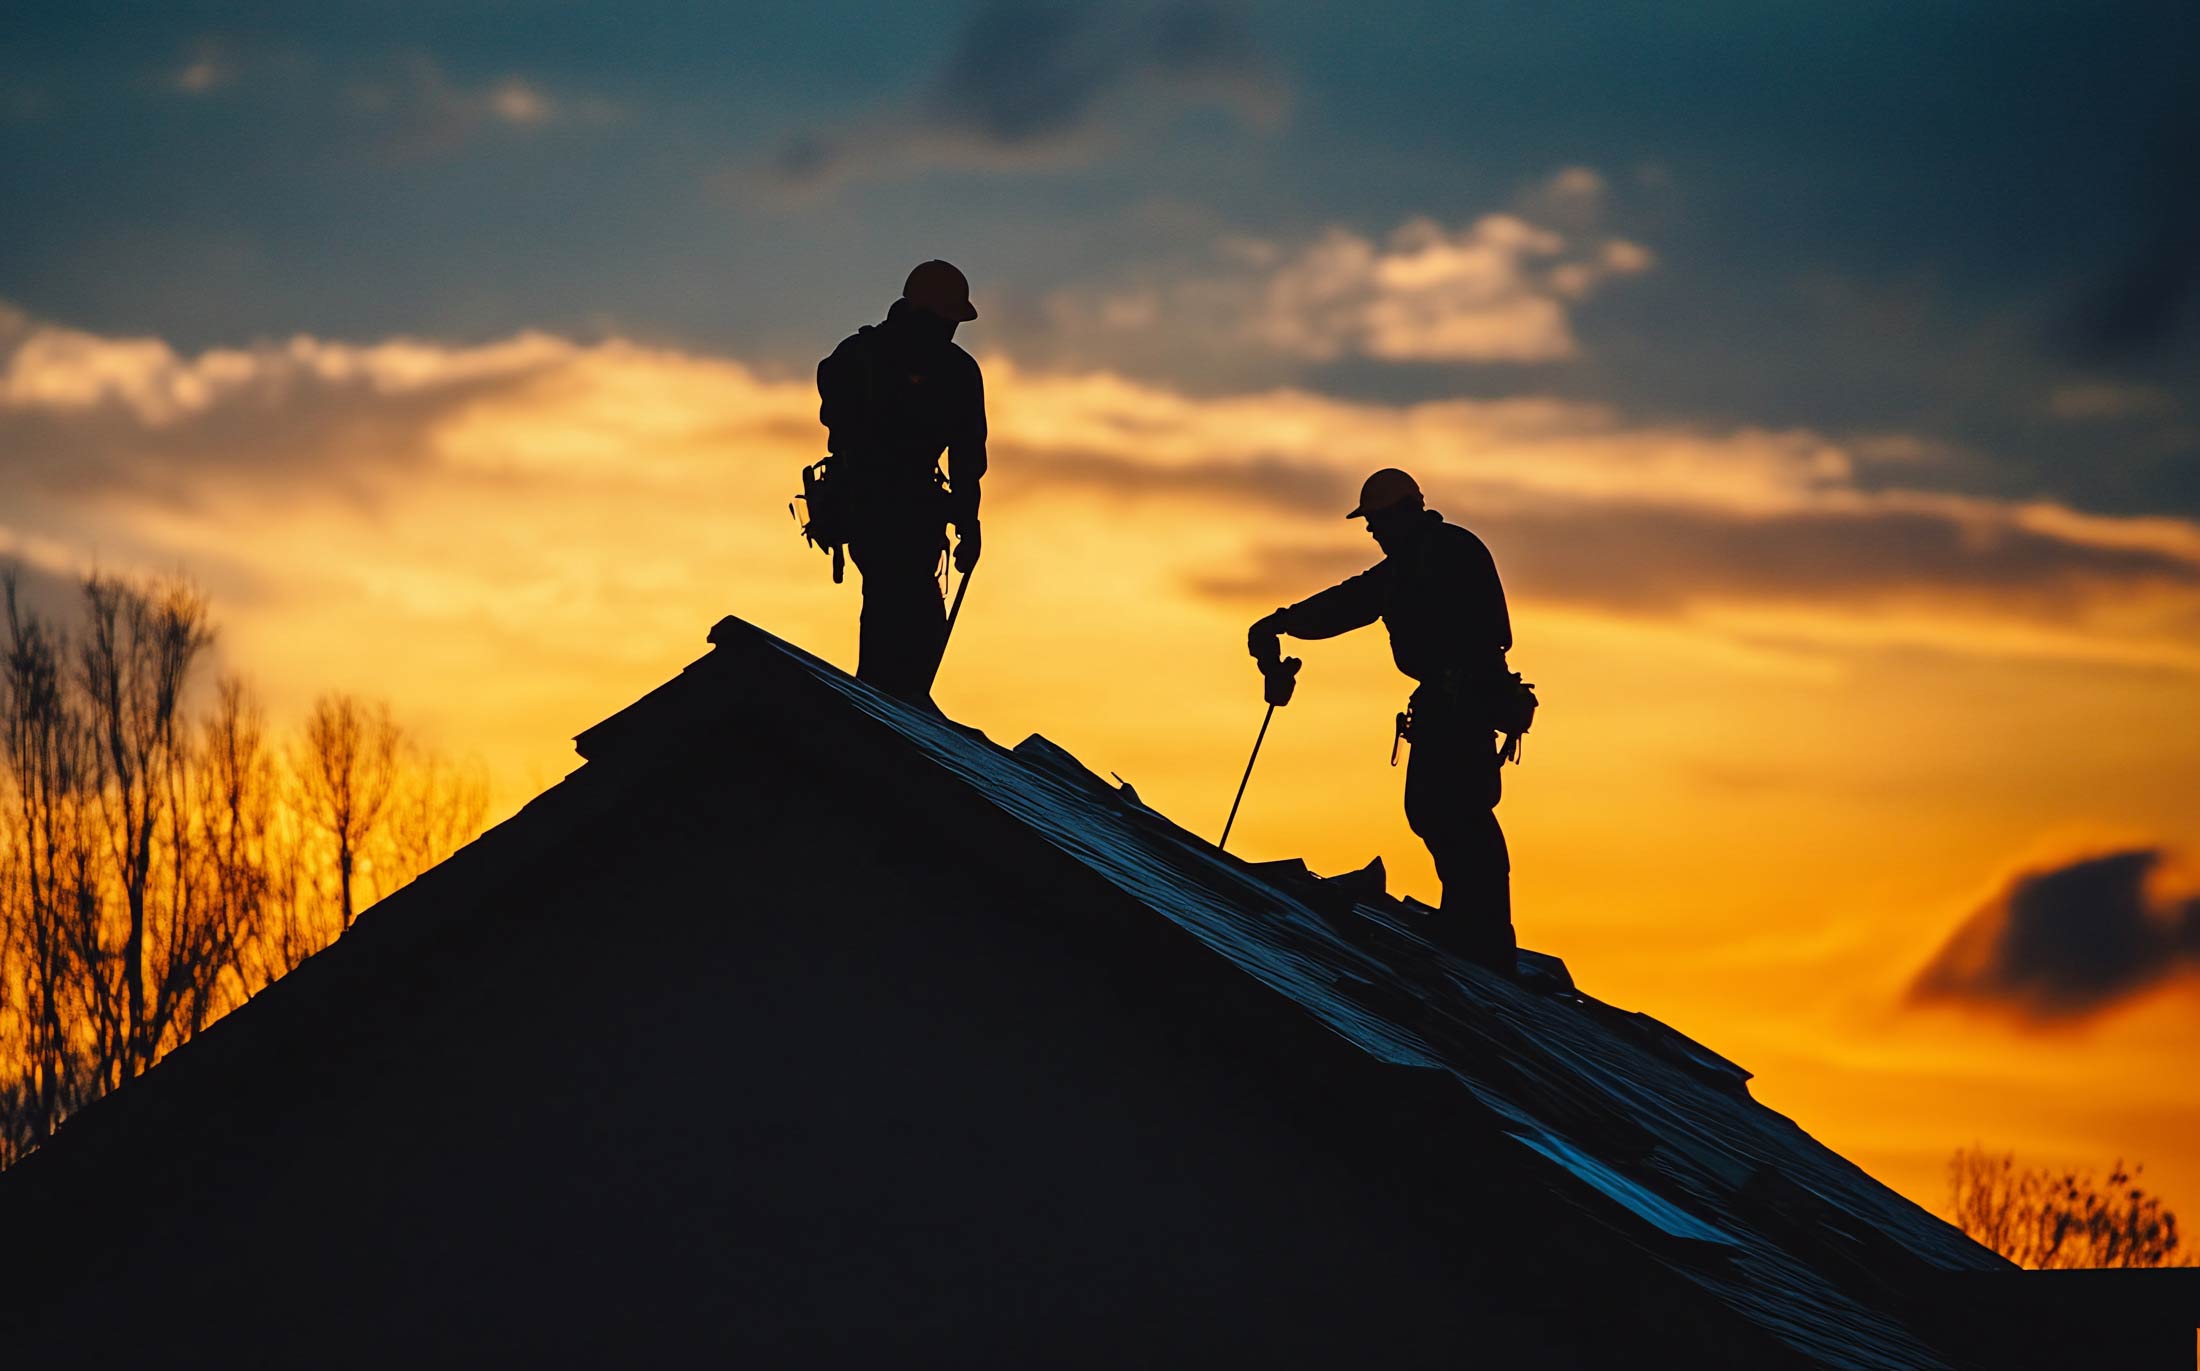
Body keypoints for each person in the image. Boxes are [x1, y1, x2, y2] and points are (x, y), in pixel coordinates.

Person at [1246, 468, 1519, 972]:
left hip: (1463, 702)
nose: (1371, 532)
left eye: (1375, 521)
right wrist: (1286, 620)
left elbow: (1364, 599)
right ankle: (1474, 928)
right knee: (1440, 811)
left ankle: (1480, 936)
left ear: (1402, 514)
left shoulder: (1437, 557)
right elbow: (1355, 599)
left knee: (1453, 812)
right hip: (1456, 701)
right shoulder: (1425, 557)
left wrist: (1285, 622)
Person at [817, 260, 987, 703]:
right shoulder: (860, 357)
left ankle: (895, 702)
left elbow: (967, 459)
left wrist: (969, 524)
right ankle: (883, 703)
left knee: (914, 614)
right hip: (871, 507)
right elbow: (835, 413)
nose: (950, 329)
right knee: (895, 605)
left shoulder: (955, 372)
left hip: (913, 514)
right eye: (945, 320)